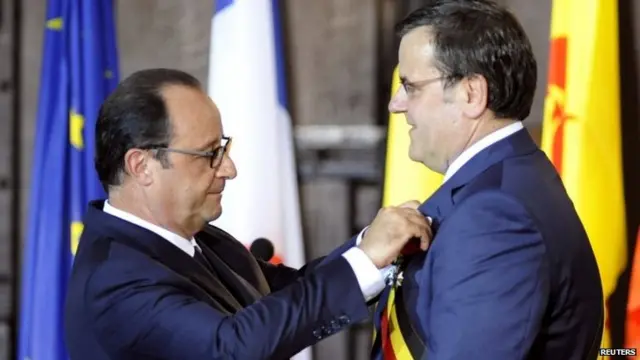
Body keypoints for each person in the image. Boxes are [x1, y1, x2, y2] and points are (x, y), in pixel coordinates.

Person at [63, 68, 432, 360]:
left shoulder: (197, 237)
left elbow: (293, 290)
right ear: (141, 166)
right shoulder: (114, 279)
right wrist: (364, 261)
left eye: (223, 148)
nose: (229, 169)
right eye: (209, 154)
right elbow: (231, 346)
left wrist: (376, 248)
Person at [370, 1, 604, 359]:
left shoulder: (494, 216)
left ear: (471, 93)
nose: (397, 104)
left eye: (411, 86)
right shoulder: (508, 181)